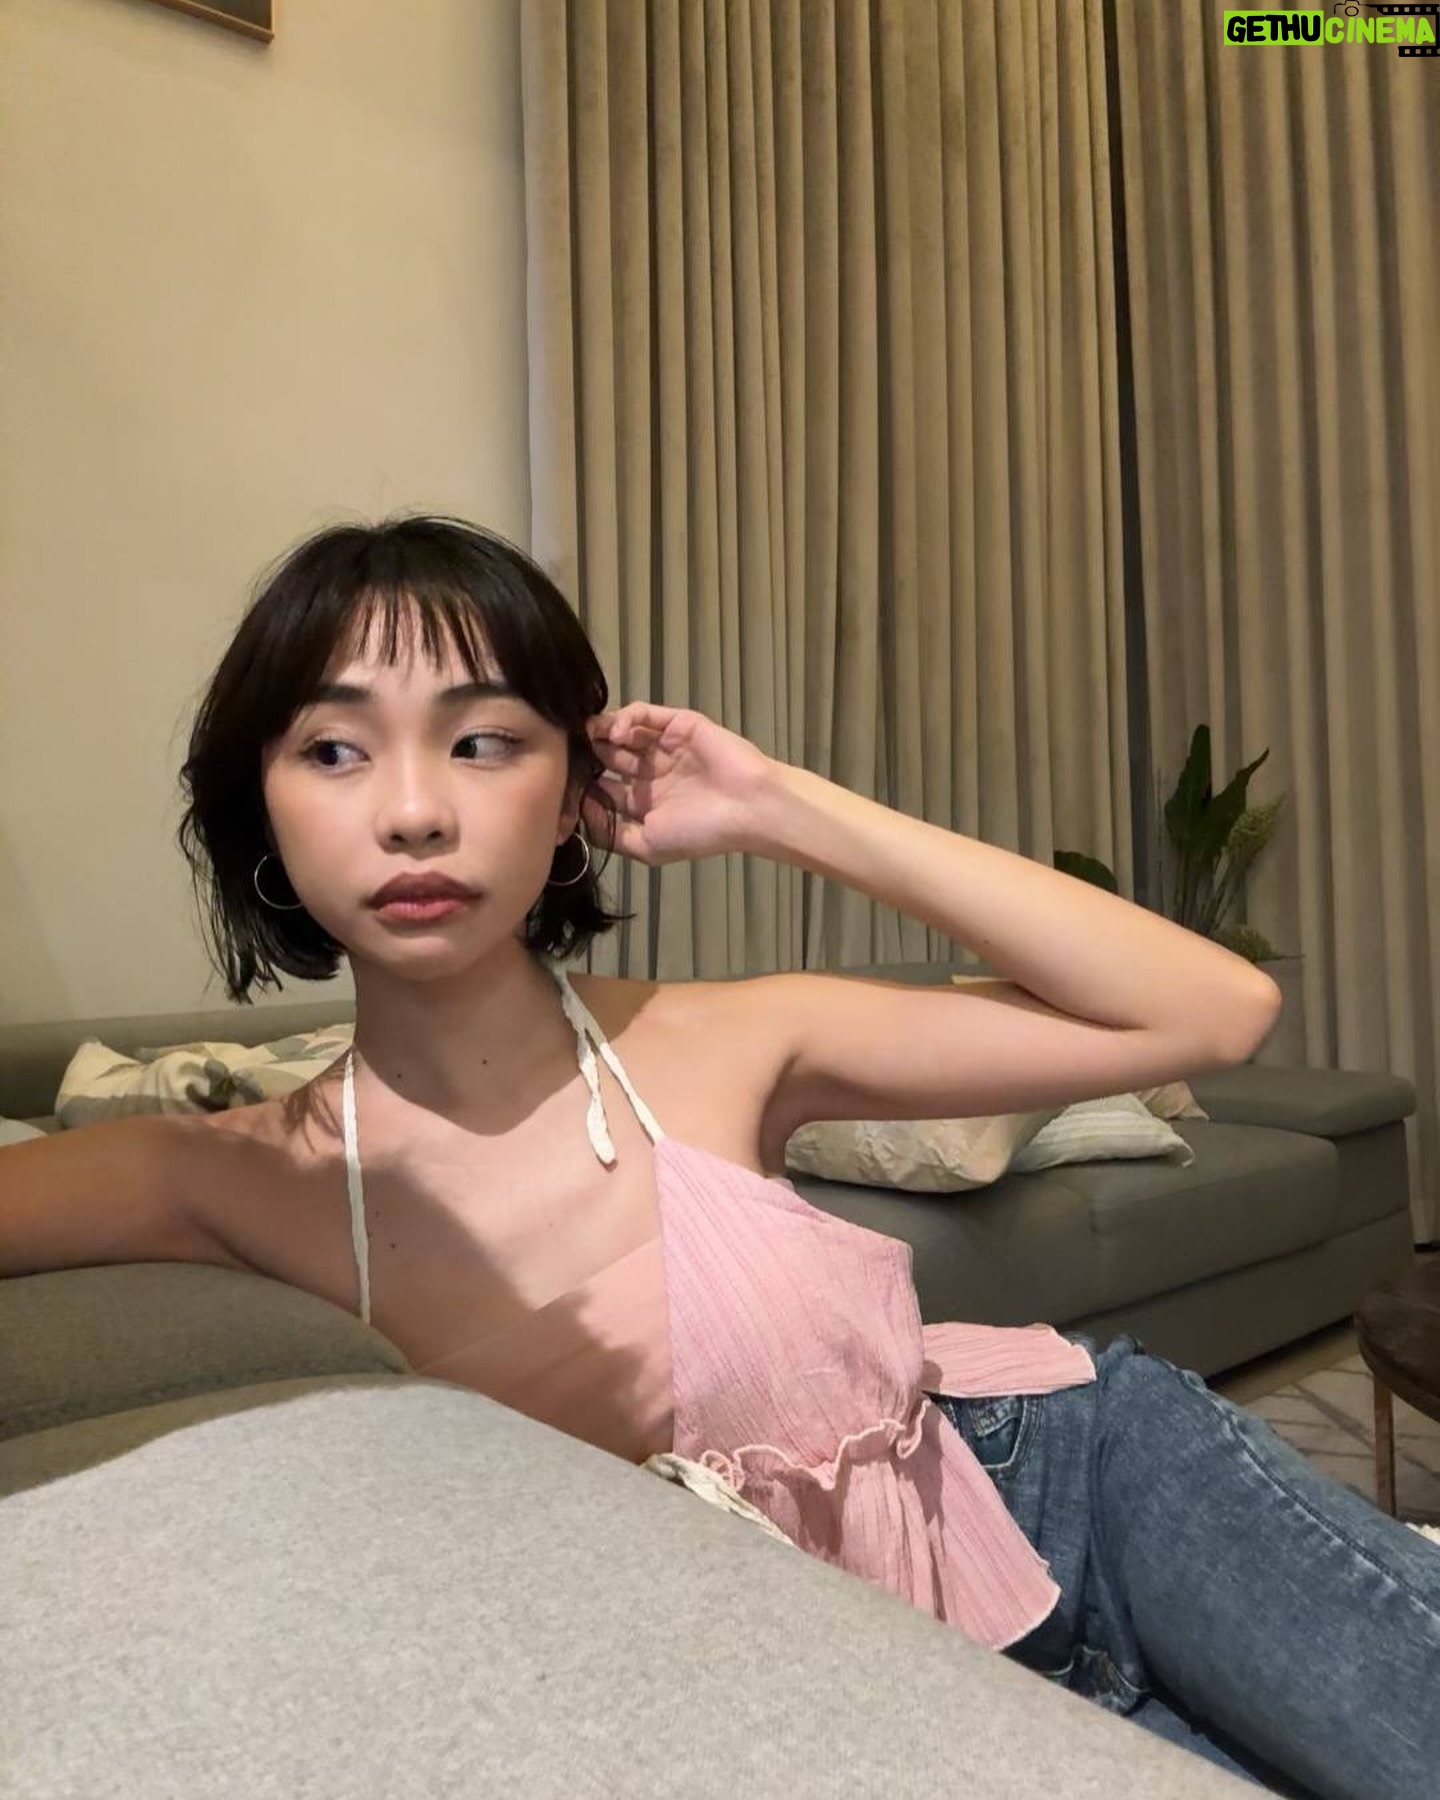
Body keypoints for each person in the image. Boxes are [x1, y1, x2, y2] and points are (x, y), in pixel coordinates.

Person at [8, 515, 1436, 1799]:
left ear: (573, 792)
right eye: (334, 749)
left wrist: (774, 806)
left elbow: (1210, 1009)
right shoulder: (228, 1175)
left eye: (484, 740)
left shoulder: (727, 1038)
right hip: (846, 1694)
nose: (414, 810)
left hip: (1082, 1490)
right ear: (262, 804)